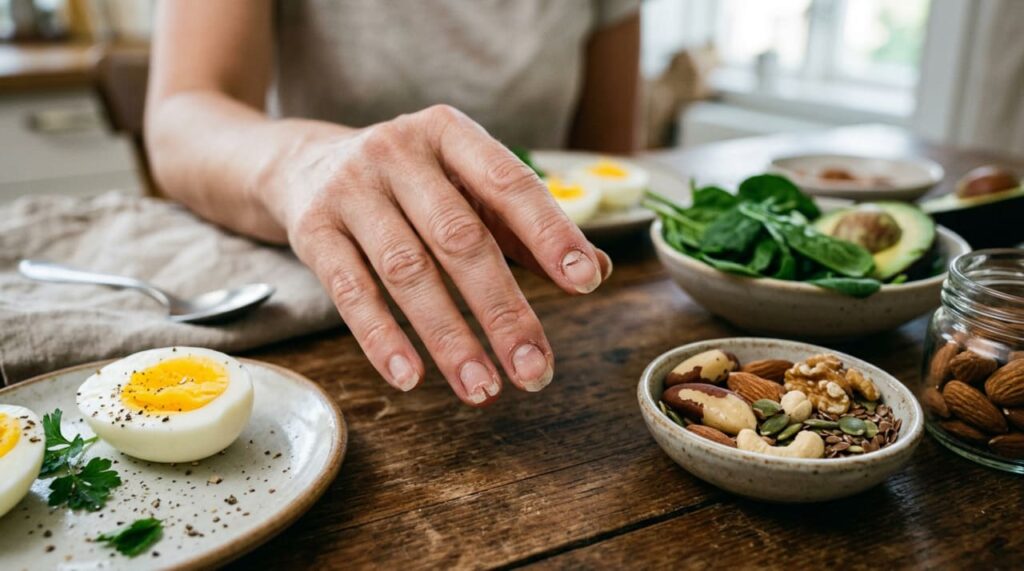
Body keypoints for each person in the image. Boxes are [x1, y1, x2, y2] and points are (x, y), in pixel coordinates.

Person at [145, 1, 641, 406]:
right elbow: (179, 117)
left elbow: (603, 158)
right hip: (322, 302)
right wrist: (303, 164)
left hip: (547, 304)